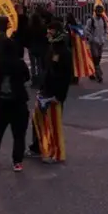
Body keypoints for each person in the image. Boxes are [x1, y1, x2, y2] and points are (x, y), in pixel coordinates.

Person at [0, 16, 32, 172]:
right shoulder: (19, 63)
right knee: (19, 134)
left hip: (2, 100)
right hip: (18, 102)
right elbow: (27, 77)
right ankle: (17, 161)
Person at [29, 20, 73, 159]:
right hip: (45, 92)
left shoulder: (63, 52)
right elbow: (47, 71)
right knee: (38, 121)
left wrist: (59, 96)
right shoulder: (51, 48)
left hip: (55, 95)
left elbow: (66, 77)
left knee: (53, 124)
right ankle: (37, 147)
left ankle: (56, 152)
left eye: (51, 30)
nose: (48, 33)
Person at [85, 5, 108, 82]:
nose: (99, 13)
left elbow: (106, 31)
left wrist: (104, 38)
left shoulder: (103, 21)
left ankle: (91, 73)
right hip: (94, 43)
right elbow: (87, 31)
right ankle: (99, 75)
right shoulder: (90, 21)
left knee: (98, 58)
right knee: (95, 59)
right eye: (98, 11)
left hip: (101, 43)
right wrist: (92, 38)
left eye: (100, 11)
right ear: (95, 11)